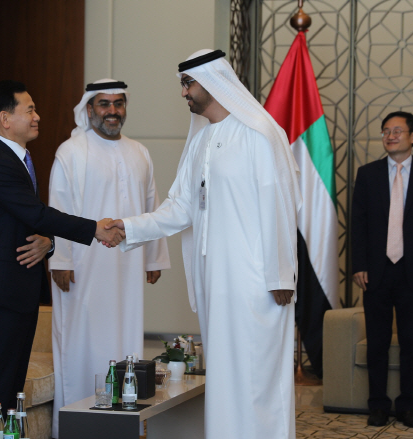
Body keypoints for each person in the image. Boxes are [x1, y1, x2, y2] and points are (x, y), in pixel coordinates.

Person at [106, 49, 301, 439]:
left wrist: (281, 273)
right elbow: (180, 208)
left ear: (213, 81)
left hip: (257, 282)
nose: (184, 93)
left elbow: (280, 202)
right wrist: (127, 227)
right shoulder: (200, 141)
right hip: (216, 281)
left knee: (257, 378)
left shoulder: (260, 133)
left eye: (188, 83)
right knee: (226, 377)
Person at [0, 80, 124, 438]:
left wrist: (49, 243)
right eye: (30, 110)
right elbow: (37, 213)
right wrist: (94, 229)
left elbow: (30, 224)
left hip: (16, 291)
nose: (37, 116)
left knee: (9, 388)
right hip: (2, 294)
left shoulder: (17, 159)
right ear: (6, 119)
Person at [48, 79, 170, 437]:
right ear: (89, 109)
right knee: (81, 342)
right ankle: (77, 426)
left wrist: (152, 258)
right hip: (82, 268)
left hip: (128, 265)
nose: (112, 111)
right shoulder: (71, 151)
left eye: (119, 103)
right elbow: (58, 208)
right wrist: (61, 259)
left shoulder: (139, 151)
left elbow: (151, 207)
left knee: (125, 338)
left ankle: (121, 424)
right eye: (104, 104)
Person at [352, 111, 413, 428]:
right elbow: (358, 224)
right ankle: (377, 405)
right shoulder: (368, 174)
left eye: (397, 131)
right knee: (377, 343)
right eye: (386, 131)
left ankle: (408, 406)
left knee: (409, 342)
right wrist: (358, 265)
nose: (390, 136)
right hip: (376, 271)